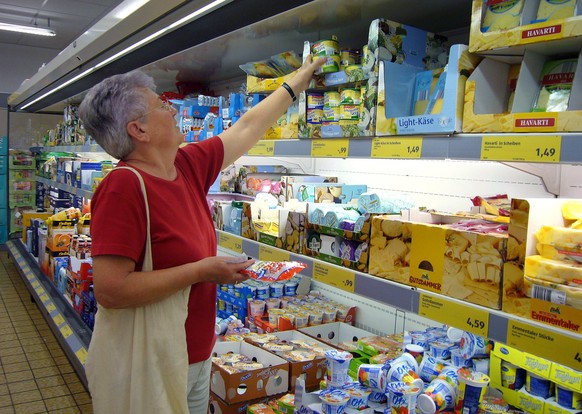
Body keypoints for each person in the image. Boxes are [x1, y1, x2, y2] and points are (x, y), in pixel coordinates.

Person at [78, 54, 324, 414]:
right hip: (153, 359)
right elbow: (111, 290)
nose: (173, 109)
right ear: (139, 130)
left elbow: (246, 128)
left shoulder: (186, 165)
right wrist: (202, 272)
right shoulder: (123, 187)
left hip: (196, 353)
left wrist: (296, 82)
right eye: (161, 105)